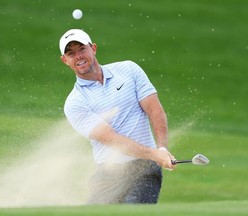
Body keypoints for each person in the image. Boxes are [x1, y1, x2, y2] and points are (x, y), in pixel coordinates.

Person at [59, 29, 176, 204]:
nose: (78, 56)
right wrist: (154, 154)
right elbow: (111, 139)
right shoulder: (75, 103)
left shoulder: (128, 70)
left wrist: (162, 149)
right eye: (71, 53)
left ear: (94, 48)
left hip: (145, 170)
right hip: (108, 175)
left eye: (82, 49)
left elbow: (155, 111)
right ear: (65, 60)